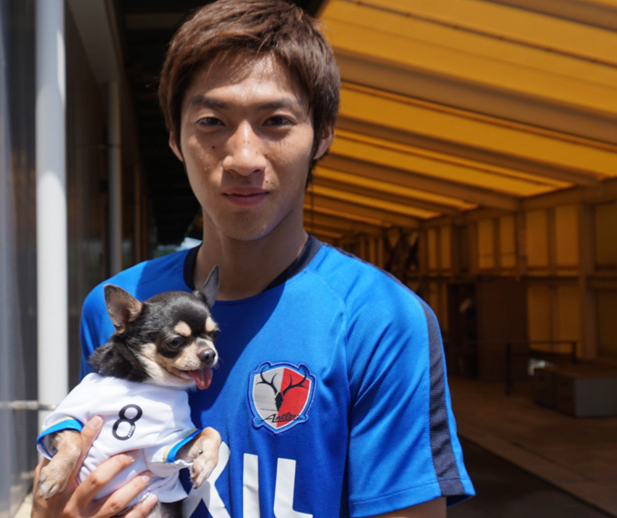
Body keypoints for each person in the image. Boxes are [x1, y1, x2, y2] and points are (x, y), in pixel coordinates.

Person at [32, 0, 474, 516]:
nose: (243, 158)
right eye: (212, 121)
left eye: (276, 121)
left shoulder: (380, 320)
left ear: (323, 135)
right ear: (175, 138)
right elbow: (83, 465)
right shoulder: (121, 309)